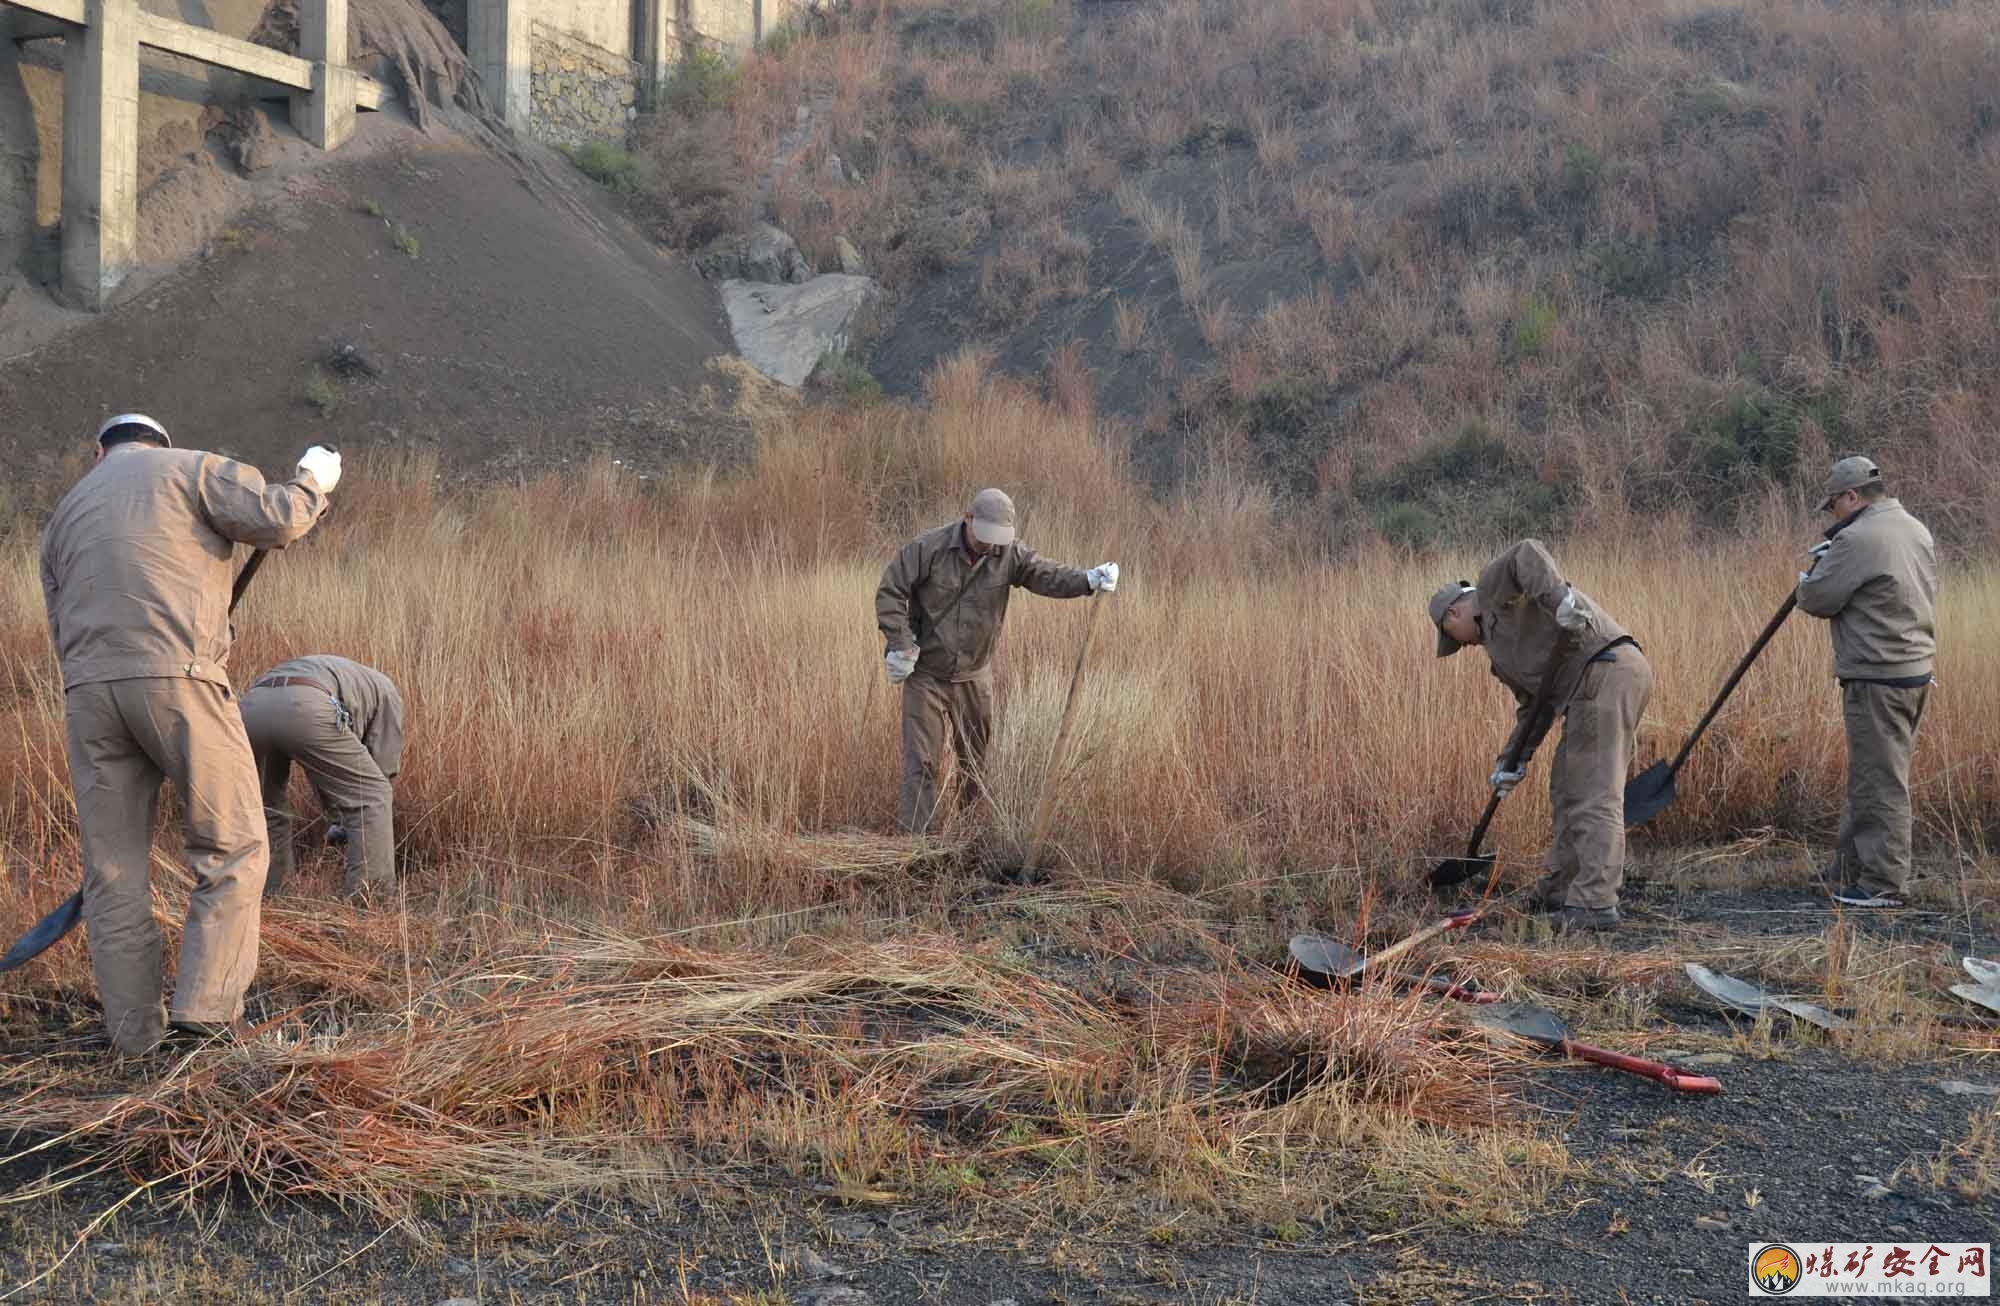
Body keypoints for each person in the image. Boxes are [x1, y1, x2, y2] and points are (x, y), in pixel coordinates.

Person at [39, 414, 338, 1054]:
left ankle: (135, 1043)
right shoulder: (194, 469)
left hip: (88, 697)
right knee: (232, 846)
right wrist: (314, 480)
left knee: (112, 876)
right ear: (158, 445)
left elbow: (58, 618)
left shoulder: (64, 513)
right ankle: (204, 1015)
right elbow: (280, 519)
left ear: (100, 452)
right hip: (180, 680)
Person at [1427, 540, 1653, 930]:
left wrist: (1560, 599)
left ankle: (1595, 904)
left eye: (1454, 637)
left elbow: (1525, 553)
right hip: (1582, 691)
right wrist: (1511, 761)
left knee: (1593, 792)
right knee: (1566, 789)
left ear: (1453, 613)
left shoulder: (1491, 588)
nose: (1463, 647)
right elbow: (1535, 708)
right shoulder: (1501, 658)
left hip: (1606, 669)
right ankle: (1560, 891)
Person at [874, 488, 1118, 834]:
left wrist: (1087, 580)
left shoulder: (1008, 554)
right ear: (968, 518)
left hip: (975, 677)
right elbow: (890, 591)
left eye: (997, 539)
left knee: (975, 764)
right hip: (925, 675)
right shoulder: (927, 549)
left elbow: (1044, 573)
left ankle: (970, 839)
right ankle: (918, 847)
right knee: (923, 765)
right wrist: (899, 644)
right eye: (984, 536)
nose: (989, 545)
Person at [1795, 456, 1936, 908]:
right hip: (1912, 669)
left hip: (1878, 675)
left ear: (1852, 497)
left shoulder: (1856, 538)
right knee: (1870, 773)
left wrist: (1810, 577)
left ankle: (1883, 884)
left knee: (1881, 781)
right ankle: (1848, 868)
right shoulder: (1912, 527)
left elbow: (1817, 599)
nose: (1833, 512)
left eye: (1834, 503)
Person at [241, 654, 404, 900]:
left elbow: (330, 770)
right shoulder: (388, 692)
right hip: (305, 704)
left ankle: (273, 893)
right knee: (373, 795)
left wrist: (338, 818)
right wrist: (347, 821)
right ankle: (372, 901)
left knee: (267, 806)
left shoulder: (343, 675)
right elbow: (381, 767)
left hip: (251, 706)